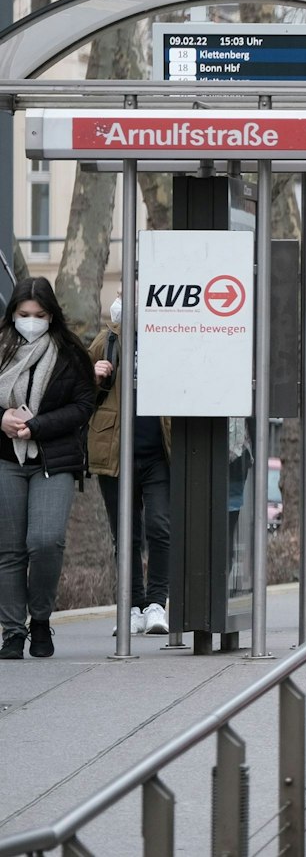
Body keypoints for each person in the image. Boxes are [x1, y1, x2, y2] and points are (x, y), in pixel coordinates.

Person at [0, 277, 97, 658]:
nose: (31, 321)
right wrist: (2, 419)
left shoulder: (69, 353)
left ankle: (40, 618)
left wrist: (37, 425)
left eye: (39, 315)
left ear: (52, 315)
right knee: (9, 549)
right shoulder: (1, 347)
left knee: (45, 541)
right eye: (24, 314)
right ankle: (12, 631)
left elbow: (83, 405)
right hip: (6, 459)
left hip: (53, 460)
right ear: (13, 313)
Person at [89, 296, 172, 636]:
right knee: (125, 534)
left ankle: (156, 603)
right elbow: (79, 390)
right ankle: (133, 605)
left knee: (160, 526)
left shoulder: (170, 335)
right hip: (115, 452)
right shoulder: (107, 340)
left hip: (159, 453)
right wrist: (93, 375)